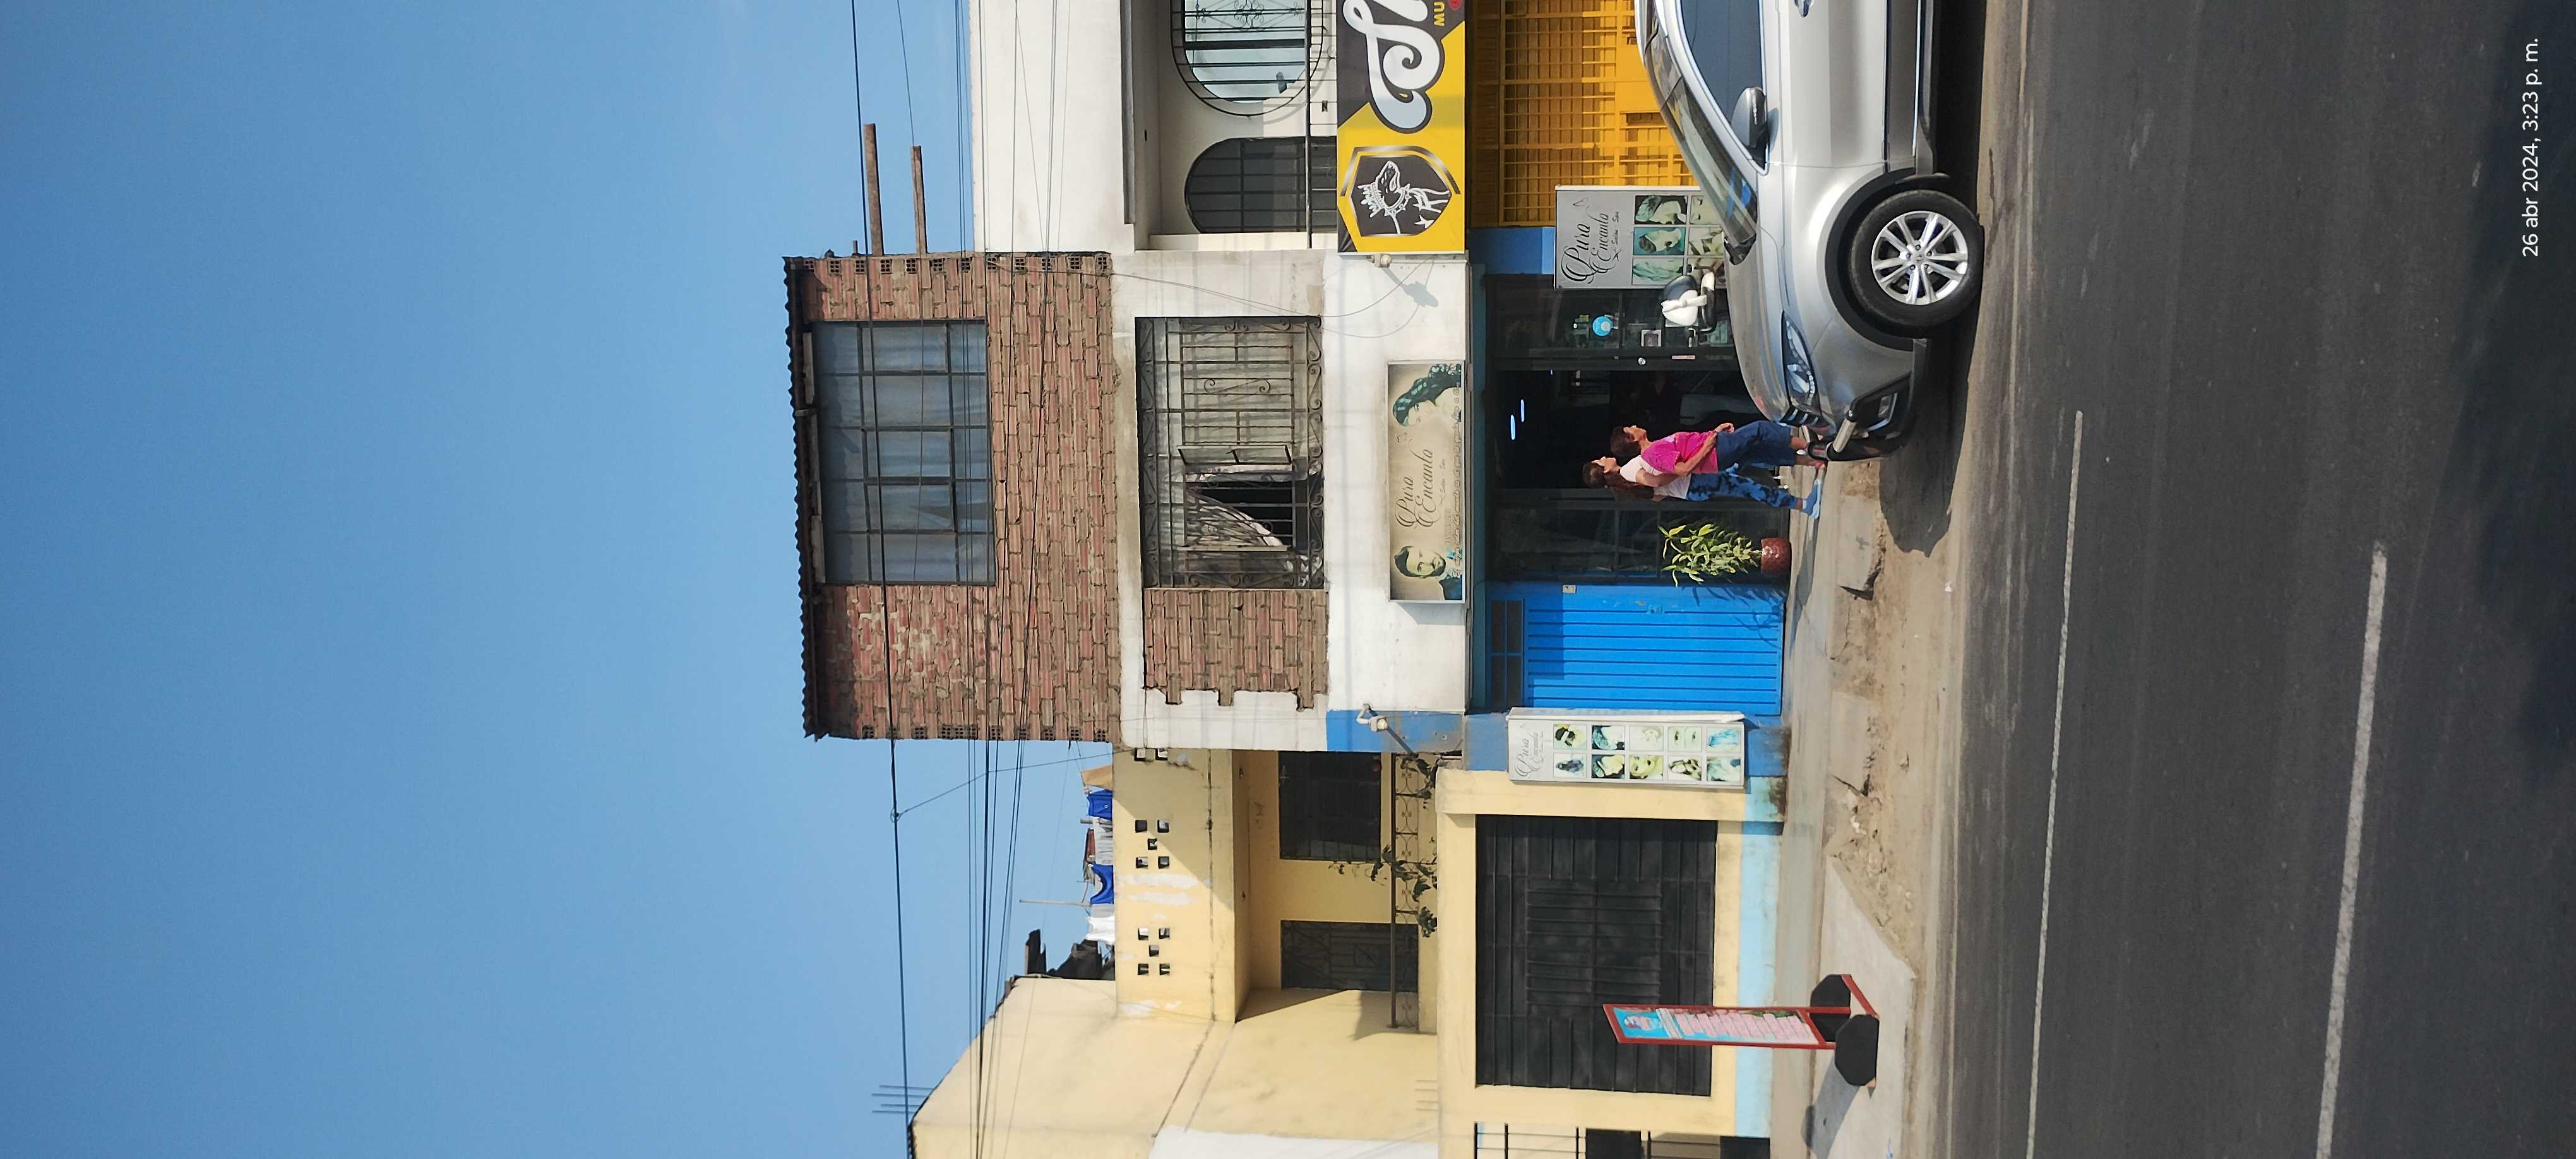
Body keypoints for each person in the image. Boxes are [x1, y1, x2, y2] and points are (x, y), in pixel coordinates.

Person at [1582, 456, 1815, 513]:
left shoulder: (1625, 488)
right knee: (1748, 487)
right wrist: (1679, 473)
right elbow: (1656, 482)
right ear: (1604, 470)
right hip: (1695, 480)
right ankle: (1802, 504)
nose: (1604, 457)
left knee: (1742, 464)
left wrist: (1673, 486)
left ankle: (1799, 460)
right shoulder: (1629, 470)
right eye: (1600, 461)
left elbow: (1657, 496)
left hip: (1692, 490)